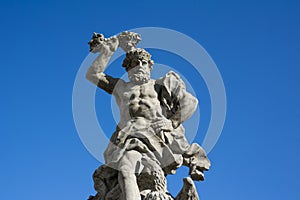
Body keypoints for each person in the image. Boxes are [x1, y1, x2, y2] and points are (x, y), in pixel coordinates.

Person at [86, 33, 210, 200]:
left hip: (156, 138)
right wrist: (108, 50)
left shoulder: (159, 85)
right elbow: (93, 75)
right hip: (129, 137)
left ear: (150, 66)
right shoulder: (121, 87)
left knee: (144, 176)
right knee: (125, 170)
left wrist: (171, 122)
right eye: (135, 63)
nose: (140, 65)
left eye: (144, 63)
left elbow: (191, 102)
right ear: (128, 69)